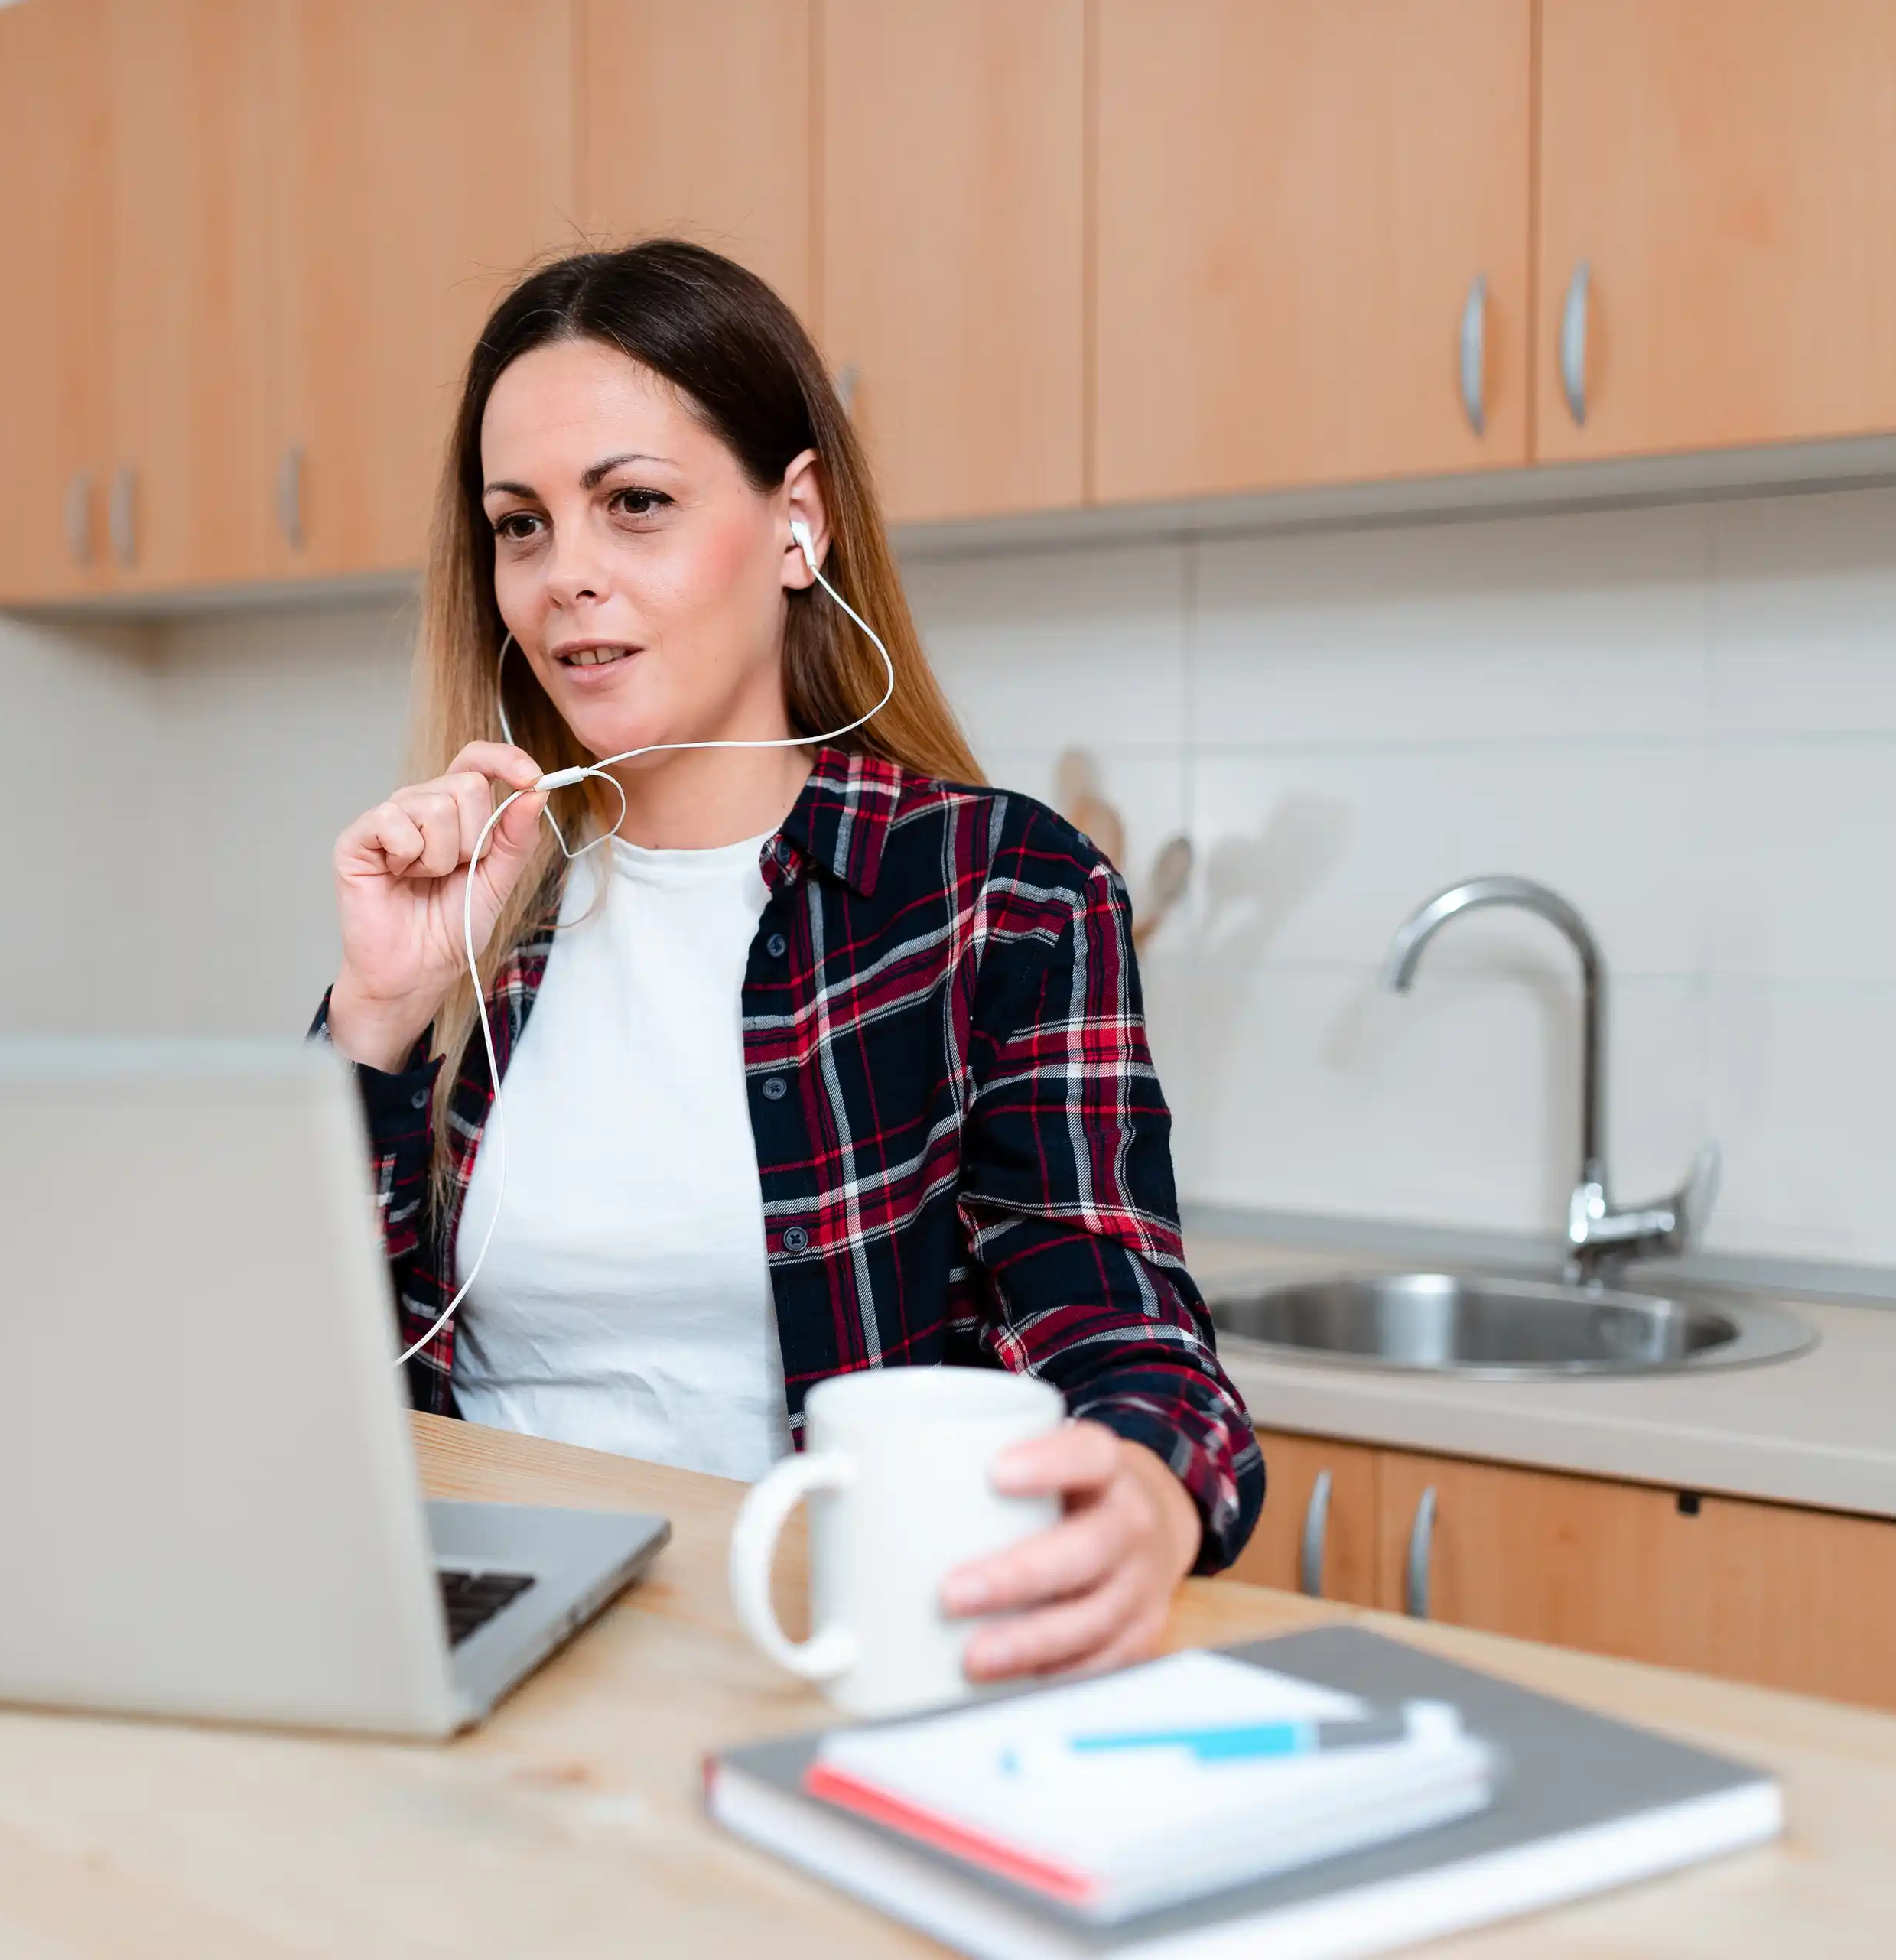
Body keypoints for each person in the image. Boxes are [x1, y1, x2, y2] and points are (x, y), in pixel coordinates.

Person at [317, 240, 1260, 1682]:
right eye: (521, 524)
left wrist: (1146, 1482)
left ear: (795, 525)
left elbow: (1130, 1341)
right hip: (465, 1649)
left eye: (634, 505)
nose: (566, 576)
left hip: (817, 1656)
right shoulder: (479, 909)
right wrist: (377, 1017)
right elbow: (297, 1379)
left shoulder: (999, 890)